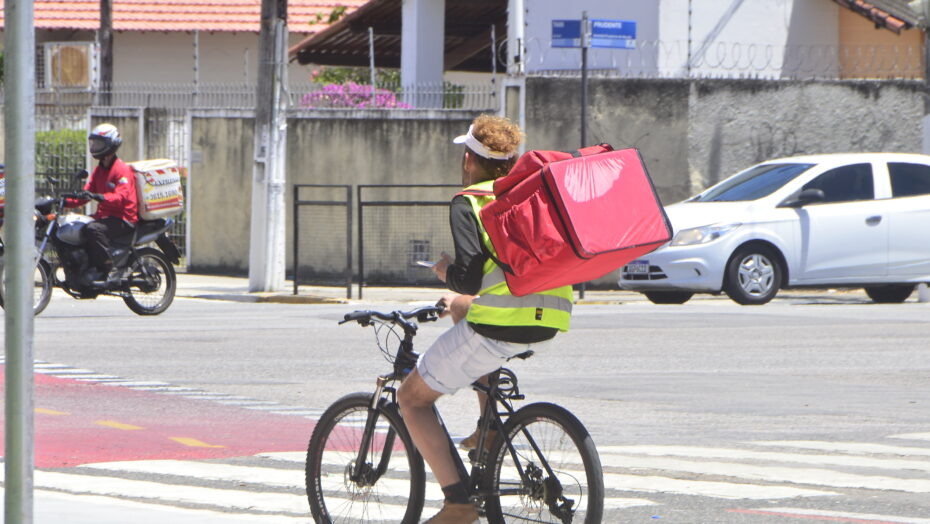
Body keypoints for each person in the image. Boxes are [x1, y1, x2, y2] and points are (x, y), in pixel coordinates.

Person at [396, 115, 574, 524]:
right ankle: (489, 426)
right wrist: (457, 299)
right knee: (462, 310)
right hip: (550, 320)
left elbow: (470, 276)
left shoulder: (470, 200)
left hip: (500, 323)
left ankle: (458, 504)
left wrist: (445, 272)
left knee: (411, 399)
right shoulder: (529, 198)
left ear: (468, 159)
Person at [66, 123, 139, 287]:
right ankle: (87, 270)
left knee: (94, 229)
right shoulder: (99, 171)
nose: (95, 147)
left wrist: (100, 197)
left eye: (99, 143)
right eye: (94, 143)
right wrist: (65, 201)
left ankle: (109, 268)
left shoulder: (122, 169)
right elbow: (86, 194)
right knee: (77, 226)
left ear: (111, 144)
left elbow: (122, 196)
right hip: (104, 217)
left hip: (123, 218)